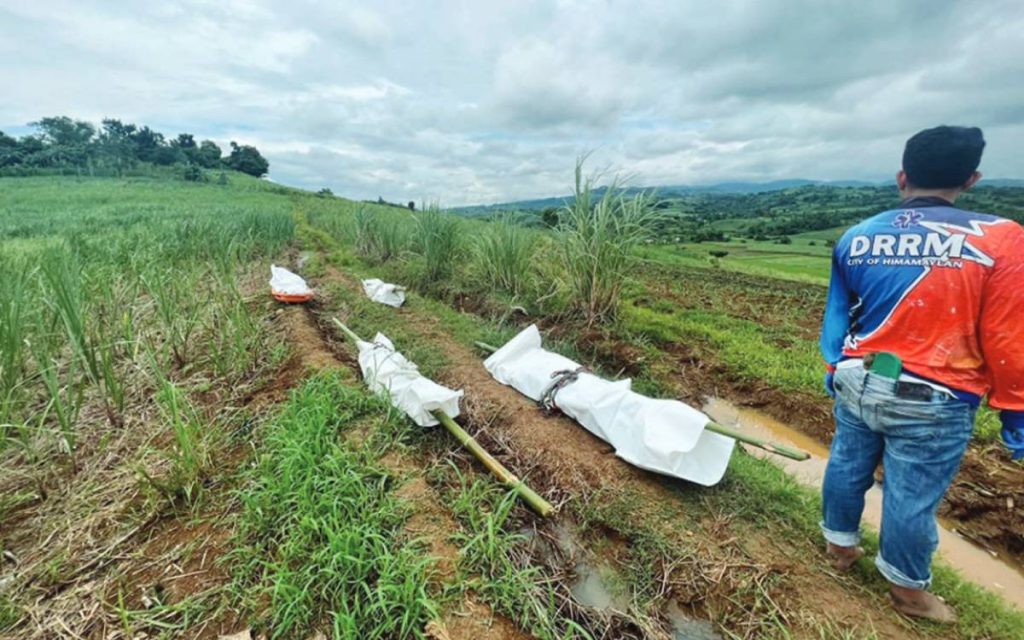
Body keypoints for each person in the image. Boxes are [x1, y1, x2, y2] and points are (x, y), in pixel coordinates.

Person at [818, 125, 1024, 623]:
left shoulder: (858, 235)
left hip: (857, 376)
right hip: (936, 394)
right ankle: (908, 594)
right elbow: (1007, 336)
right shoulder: (1002, 238)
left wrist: (833, 367)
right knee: (911, 493)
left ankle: (839, 552)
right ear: (972, 179)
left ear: (902, 176)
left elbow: (837, 314)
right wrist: (1016, 411)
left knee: (847, 467)